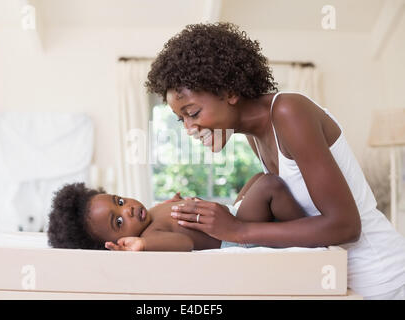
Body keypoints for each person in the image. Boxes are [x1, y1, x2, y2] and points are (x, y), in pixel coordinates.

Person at [145, 22, 405, 299]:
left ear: (230, 91)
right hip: (335, 279)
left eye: (193, 112)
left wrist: (239, 229)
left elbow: (345, 226)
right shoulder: (254, 135)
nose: (188, 128)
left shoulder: (289, 112)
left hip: (382, 279)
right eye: (181, 118)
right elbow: (296, 216)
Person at [47, 172, 306, 251]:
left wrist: (171, 204)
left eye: (119, 200)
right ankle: (304, 231)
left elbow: (169, 215)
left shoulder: (150, 214)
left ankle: (282, 222)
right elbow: (183, 241)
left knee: (257, 177)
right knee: (269, 184)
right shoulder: (150, 236)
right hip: (235, 232)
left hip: (234, 213)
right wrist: (142, 245)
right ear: (119, 242)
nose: (128, 209)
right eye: (118, 221)